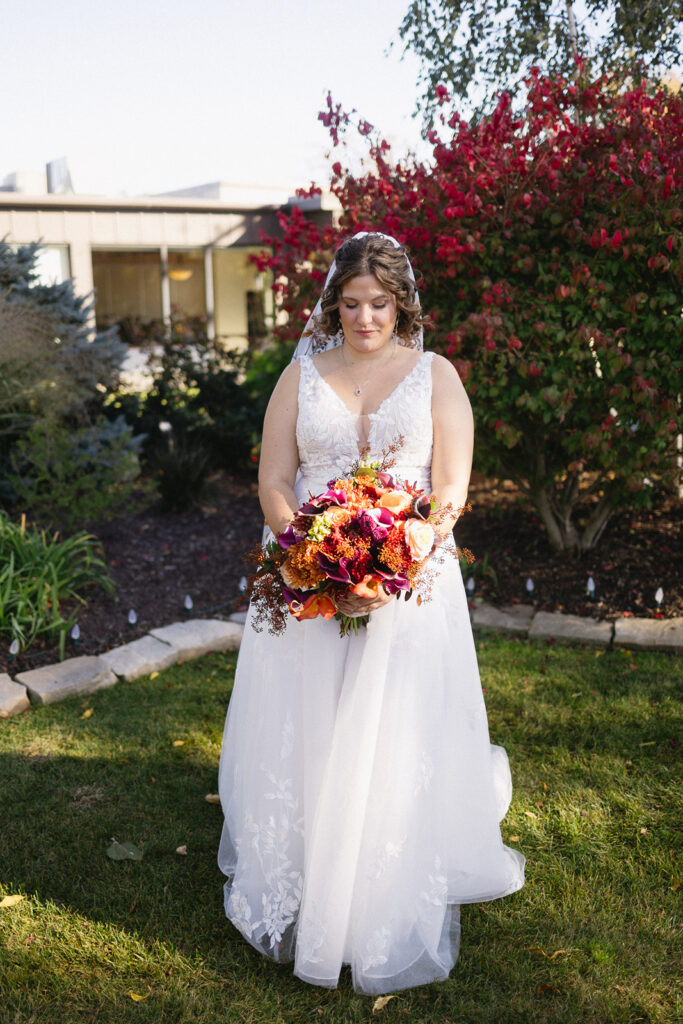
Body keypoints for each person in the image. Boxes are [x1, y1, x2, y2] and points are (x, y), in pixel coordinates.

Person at [217, 232, 525, 995]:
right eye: (350, 304)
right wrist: (310, 560)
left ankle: (379, 873)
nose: (363, 318)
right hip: (308, 580)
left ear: (401, 303)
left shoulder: (435, 375)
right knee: (312, 721)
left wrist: (393, 563)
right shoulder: (300, 376)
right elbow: (274, 477)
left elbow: (450, 489)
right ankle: (307, 862)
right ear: (333, 304)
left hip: (409, 578)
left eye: (378, 304)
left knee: (390, 728)